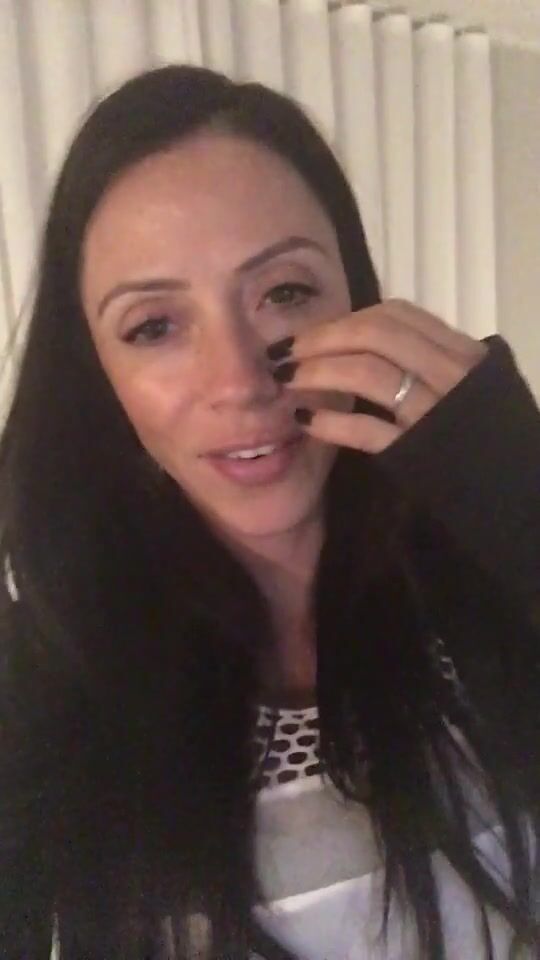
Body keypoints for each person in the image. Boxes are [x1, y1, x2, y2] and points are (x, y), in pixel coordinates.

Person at [0, 63, 538, 960]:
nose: (241, 381)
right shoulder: (41, 682)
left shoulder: (477, 571)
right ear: (98, 375)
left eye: (285, 292)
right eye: (154, 326)